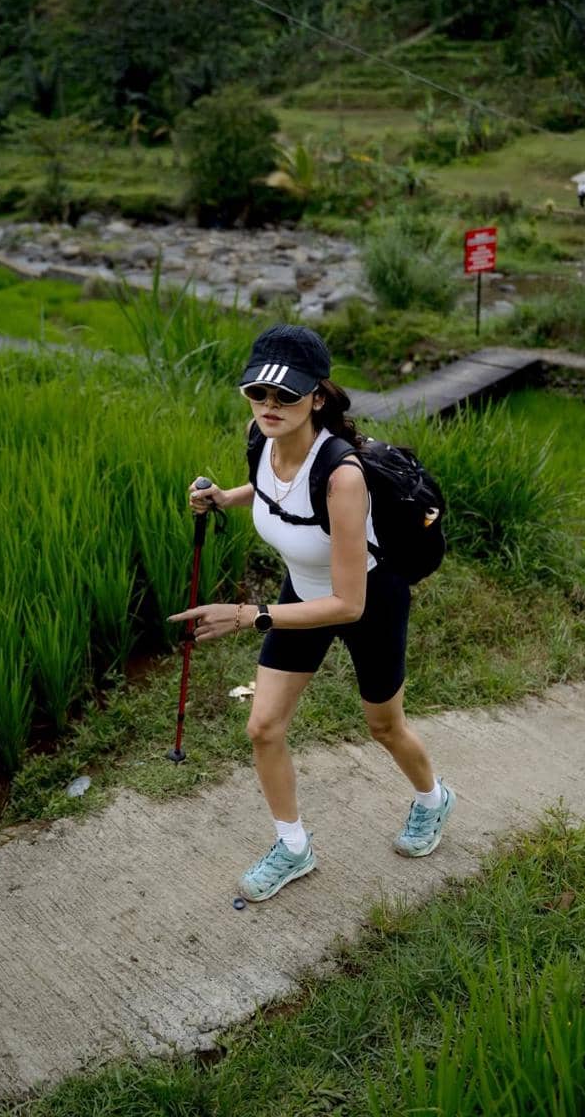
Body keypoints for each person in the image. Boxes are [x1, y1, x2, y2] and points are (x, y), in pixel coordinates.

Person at [169, 324, 454, 902]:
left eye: (286, 396)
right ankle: (294, 847)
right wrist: (226, 496)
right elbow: (274, 486)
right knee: (264, 726)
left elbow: (348, 604)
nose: (270, 407)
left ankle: (432, 799)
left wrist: (252, 615)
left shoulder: (344, 476)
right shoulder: (261, 436)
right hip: (301, 591)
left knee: (384, 726)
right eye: (259, 393)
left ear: (317, 398)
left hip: (368, 601)